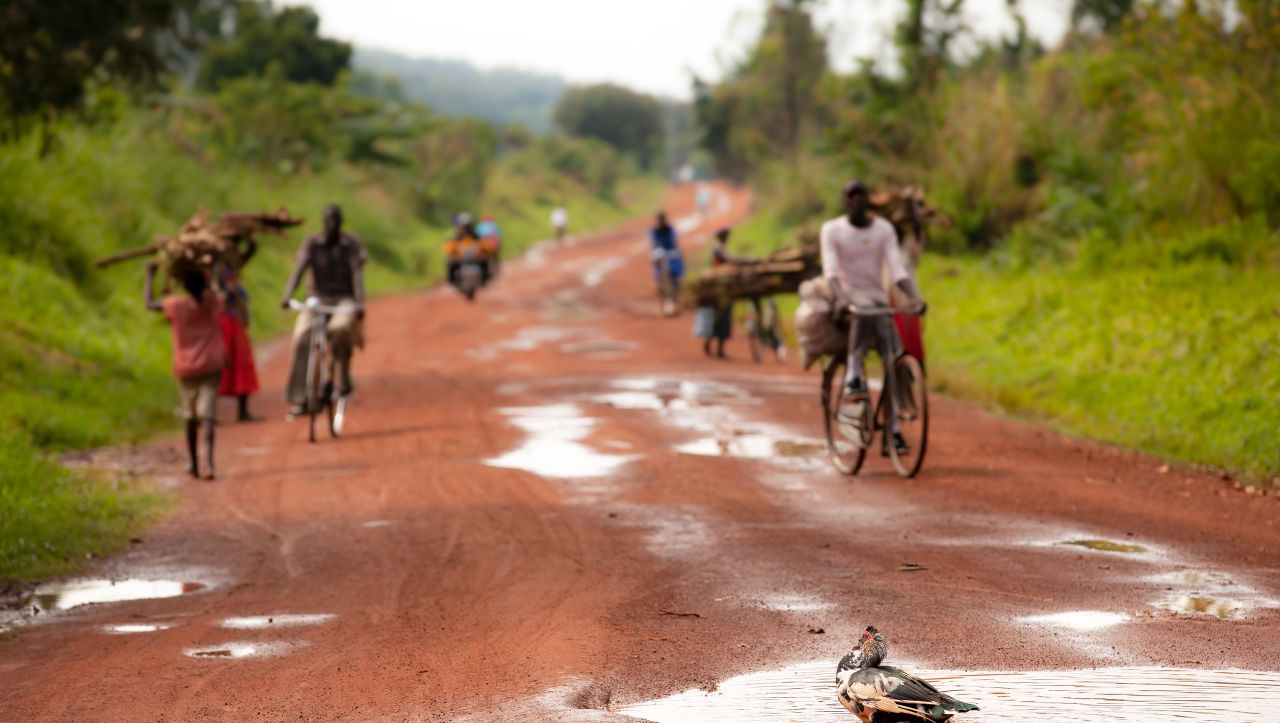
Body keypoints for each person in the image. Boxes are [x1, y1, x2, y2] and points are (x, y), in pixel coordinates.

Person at [819, 179, 925, 453]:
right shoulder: (832, 230)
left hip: (879, 301)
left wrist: (914, 298)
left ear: (869, 200)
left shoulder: (883, 230)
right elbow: (830, 272)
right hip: (848, 300)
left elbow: (897, 270)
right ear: (845, 201)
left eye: (860, 195)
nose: (856, 200)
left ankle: (894, 430)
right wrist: (840, 297)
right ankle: (853, 374)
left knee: (895, 359)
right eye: (850, 195)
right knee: (864, 312)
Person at [280, 204, 367, 416]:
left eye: (336, 220)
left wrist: (359, 302)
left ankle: (343, 378)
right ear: (323, 221)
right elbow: (298, 270)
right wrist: (288, 295)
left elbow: (357, 274)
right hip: (317, 299)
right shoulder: (312, 243)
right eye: (328, 220)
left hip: (343, 299)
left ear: (341, 222)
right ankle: (302, 397)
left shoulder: (351, 244)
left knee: (340, 330)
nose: (332, 224)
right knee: (301, 337)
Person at [144, 262, 225, 480]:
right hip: (211, 365)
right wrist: (215, 269)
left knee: (189, 417)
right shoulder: (211, 301)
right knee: (207, 417)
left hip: (186, 368)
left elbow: (149, 303)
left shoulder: (176, 305)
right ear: (204, 284)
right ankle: (208, 463)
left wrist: (150, 275)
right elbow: (221, 289)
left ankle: (193, 464)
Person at [216, 238, 261, 422]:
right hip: (224, 322)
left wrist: (247, 235)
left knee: (243, 365)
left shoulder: (235, 265)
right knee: (219, 365)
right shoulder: (216, 268)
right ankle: (210, 414)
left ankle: (243, 412)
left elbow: (252, 248)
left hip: (238, 322)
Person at [444, 213, 493, 287]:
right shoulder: (456, 236)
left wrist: (484, 251)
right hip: (460, 257)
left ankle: (485, 278)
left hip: (475, 256)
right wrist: (452, 253)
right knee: (450, 262)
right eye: (464, 226)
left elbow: (484, 244)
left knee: (484, 261)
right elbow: (449, 246)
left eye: (467, 226)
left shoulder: (476, 235)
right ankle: (451, 280)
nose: (465, 228)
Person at [650, 211, 684, 311]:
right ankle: (660, 284)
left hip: (670, 253)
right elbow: (654, 244)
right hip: (661, 253)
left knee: (676, 269)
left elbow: (674, 242)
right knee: (658, 269)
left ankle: (676, 282)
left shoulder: (670, 229)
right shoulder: (655, 231)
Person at [476, 213, 502, 278]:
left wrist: (497, 243)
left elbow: (498, 235)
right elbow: (477, 236)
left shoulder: (494, 225)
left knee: (494, 257)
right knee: (484, 258)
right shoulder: (481, 226)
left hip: (492, 243)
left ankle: (496, 269)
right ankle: (486, 271)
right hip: (484, 244)